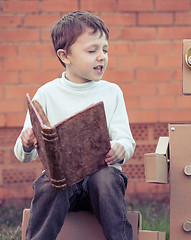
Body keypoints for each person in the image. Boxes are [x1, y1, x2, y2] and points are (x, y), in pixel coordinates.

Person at [13, 10, 135, 240]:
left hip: (100, 185)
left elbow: (126, 140)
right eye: (92, 50)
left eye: (105, 49)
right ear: (65, 56)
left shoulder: (112, 92)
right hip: (63, 186)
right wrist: (27, 142)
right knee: (50, 181)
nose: (101, 56)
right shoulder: (46, 94)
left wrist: (121, 148)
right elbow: (22, 155)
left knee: (106, 178)